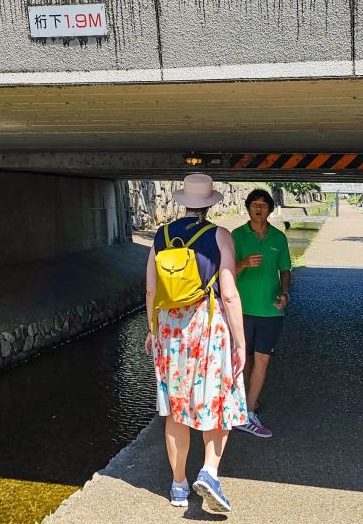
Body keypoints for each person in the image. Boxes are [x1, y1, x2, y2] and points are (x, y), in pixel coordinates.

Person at [145, 173, 248, 513]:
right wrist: (240, 342)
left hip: (171, 330)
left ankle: (177, 485)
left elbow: (150, 290)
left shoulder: (161, 235)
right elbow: (230, 294)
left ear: (184, 202)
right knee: (218, 400)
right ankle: (209, 471)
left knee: (176, 410)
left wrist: (152, 329)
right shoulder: (220, 236)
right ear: (210, 204)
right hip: (208, 324)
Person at [231, 188, 291, 439]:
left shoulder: (278, 238)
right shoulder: (236, 236)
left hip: (270, 311)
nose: (259, 208)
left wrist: (285, 294)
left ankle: (249, 410)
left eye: (264, 205)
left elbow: (285, 270)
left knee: (262, 359)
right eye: (255, 204)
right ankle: (240, 404)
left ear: (270, 209)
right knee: (243, 360)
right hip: (241, 310)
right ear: (248, 208)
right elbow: (224, 273)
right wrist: (243, 263)